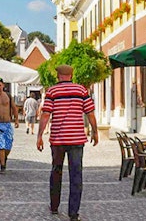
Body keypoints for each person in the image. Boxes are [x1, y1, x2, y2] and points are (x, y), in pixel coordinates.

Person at [37, 65, 98, 221]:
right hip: (77, 139)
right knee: (76, 175)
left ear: (58, 75)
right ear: (72, 74)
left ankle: (54, 205)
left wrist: (39, 135)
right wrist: (95, 131)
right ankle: (73, 213)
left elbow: (45, 115)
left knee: (56, 171)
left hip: (58, 140)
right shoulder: (81, 90)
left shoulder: (52, 91)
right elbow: (90, 113)